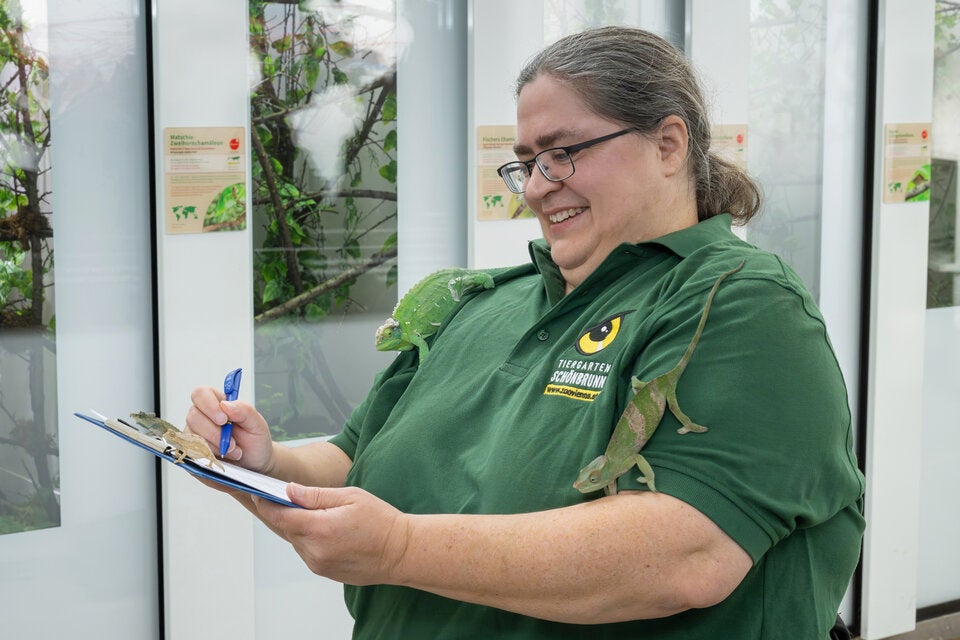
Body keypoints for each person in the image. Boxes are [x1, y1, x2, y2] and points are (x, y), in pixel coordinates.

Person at [187, 26, 865, 639]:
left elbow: (686, 556)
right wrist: (267, 467)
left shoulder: (741, 306)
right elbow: (351, 460)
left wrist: (397, 548)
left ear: (668, 143)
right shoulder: (475, 305)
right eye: (526, 162)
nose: (537, 187)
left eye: (562, 153)